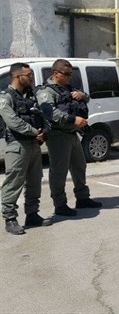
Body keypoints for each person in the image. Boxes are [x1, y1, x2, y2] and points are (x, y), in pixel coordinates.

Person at [36, 59, 102, 216]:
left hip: (72, 134)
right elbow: (50, 113)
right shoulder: (46, 92)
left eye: (71, 74)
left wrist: (82, 95)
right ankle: (60, 204)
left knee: (79, 167)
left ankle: (82, 198)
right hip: (58, 136)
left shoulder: (67, 88)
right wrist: (74, 120)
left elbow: (87, 97)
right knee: (59, 171)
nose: (69, 77)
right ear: (56, 73)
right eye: (66, 74)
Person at [0, 63, 51, 234]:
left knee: (35, 181)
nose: (31, 78)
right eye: (28, 75)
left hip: (34, 144)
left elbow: (41, 114)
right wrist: (34, 131)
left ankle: (32, 214)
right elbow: (12, 121)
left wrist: (44, 131)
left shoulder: (31, 96)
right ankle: (10, 218)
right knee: (14, 182)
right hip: (18, 145)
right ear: (17, 76)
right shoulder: (6, 97)